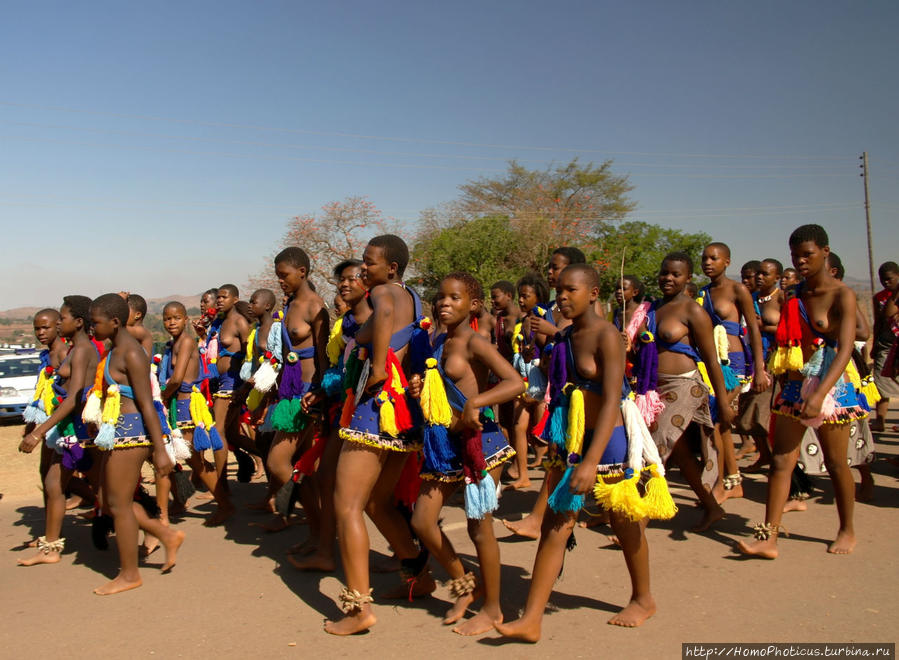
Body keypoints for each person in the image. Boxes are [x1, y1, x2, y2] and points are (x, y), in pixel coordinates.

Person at [496, 265, 676, 642]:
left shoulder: (607, 335)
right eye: (559, 290)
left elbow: (612, 398)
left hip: (608, 443)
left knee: (625, 525)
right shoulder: (567, 335)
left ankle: (643, 599)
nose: (562, 296)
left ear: (593, 293)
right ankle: (531, 619)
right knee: (554, 527)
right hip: (574, 443)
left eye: (571, 290)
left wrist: (592, 461)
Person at [326, 234, 433, 635]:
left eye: (369, 263)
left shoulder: (385, 293)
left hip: (377, 409)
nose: (362, 270)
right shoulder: (412, 298)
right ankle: (418, 575)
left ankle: (358, 608)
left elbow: (383, 317)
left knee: (347, 504)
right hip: (405, 414)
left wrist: (376, 368)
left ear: (391, 268)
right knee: (376, 501)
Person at [737, 225, 865, 559]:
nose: (801, 261)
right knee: (781, 461)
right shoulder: (794, 296)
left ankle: (846, 528)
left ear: (825, 251)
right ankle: (769, 537)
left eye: (807, 254)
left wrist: (820, 394)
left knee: (836, 463)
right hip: (795, 386)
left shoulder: (842, 295)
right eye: (795, 255)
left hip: (832, 387)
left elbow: (846, 347)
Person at [409, 272, 522, 635]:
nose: (444, 303)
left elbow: (514, 383)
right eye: (440, 297)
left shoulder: (476, 341)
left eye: (454, 298)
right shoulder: (438, 341)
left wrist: (477, 401)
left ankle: (493, 610)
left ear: (473, 305)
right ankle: (465, 584)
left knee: (480, 529)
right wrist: (421, 389)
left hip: (481, 445)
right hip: (446, 445)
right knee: (422, 521)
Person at [82, 293, 183, 593]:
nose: (91, 328)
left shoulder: (132, 353)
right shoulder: (115, 350)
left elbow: (147, 403)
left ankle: (130, 574)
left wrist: (161, 450)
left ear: (114, 322)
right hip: (120, 434)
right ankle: (165, 536)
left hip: (133, 435)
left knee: (119, 505)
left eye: (95, 323)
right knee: (114, 501)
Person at [638, 252, 734, 531]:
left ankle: (638, 523)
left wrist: (724, 402)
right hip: (654, 389)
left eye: (676, 274)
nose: (668, 278)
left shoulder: (693, 311)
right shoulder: (652, 308)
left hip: (684, 387)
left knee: (654, 450)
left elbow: (711, 359)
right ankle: (712, 507)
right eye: (664, 273)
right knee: (678, 453)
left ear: (688, 278)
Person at [290, 259, 370, 572]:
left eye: (352, 279)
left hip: (369, 414)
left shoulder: (375, 322)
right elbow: (340, 368)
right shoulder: (346, 324)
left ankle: (412, 558)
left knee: (372, 499)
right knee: (327, 479)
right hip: (343, 410)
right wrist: (323, 392)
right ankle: (324, 548)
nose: (344, 286)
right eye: (341, 281)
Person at [17, 296, 101, 566]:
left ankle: (157, 531)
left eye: (61, 318)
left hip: (81, 429)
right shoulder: (77, 349)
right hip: (68, 428)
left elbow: (75, 396)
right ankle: (50, 548)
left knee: (110, 493)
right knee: (55, 484)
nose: (56, 323)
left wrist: (39, 431)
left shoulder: (82, 350)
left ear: (76, 322)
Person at [263, 248, 328, 531]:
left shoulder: (316, 307)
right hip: (288, 391)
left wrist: (316, 395)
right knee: (305, 468)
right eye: (278, 276)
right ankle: (317, 531)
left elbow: (324, 359)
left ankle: (319, 526)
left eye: (284, 275)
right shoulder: (289, 306)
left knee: (278, 462)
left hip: (305, 395)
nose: (280, 281)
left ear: (302, 272)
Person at [699, 243, 769, 504]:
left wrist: (759, 369)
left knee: (719, 421)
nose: (708, 262)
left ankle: (728, 481)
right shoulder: (703, 293)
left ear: (726, 261)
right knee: (718, 423)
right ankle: (730, 480)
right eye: (705, 258)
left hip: (733, 363)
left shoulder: (737, 290)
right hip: (709, 365)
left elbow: (753, 329)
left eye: (714, 258)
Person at [205, 284, 249, 525]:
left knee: (217, 430)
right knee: (231, 434)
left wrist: (246, 385)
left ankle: (221, 482)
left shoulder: (240, 322)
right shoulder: (221, 322)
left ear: (235, 299)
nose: (219, 300)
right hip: (221, 380)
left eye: (224, 297)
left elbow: (251, 352)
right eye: (218, 297)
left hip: (233, 382)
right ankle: (263, 458)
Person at [739, 258, 783, 471]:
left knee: (764, 412)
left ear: (777, 277)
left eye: (765, 274)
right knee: (750, 413)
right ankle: (765, 455)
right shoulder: (752, 298)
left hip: (777, 360)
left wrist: (764, 327)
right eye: (758, 274)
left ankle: (780, 461)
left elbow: (791, 330)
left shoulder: (782, 298)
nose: (759, 277)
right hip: (754, 358)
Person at [23, 309, 69, 489]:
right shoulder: (46, 356)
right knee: (46, 472)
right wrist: (31, 424)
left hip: (62, 422)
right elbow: (41, 391)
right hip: (49, 421)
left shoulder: (64, 354)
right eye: (37, 329)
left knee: (56, 477)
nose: (40, 333)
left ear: (58, 327)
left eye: (45, 328)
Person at [871, 261, 899, 433]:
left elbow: (890, 312)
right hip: (886, 344)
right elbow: (880, 321)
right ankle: (879, 420)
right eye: (882, 280)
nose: (886, 283)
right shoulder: (880, 297)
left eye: (889, 279)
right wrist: (875, 345)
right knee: (880, 382)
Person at [123, 293, 154, 358]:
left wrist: (119, 300)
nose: (121, 314)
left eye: (124, 311)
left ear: (137, 315)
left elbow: (118, 328)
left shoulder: (143, 332)